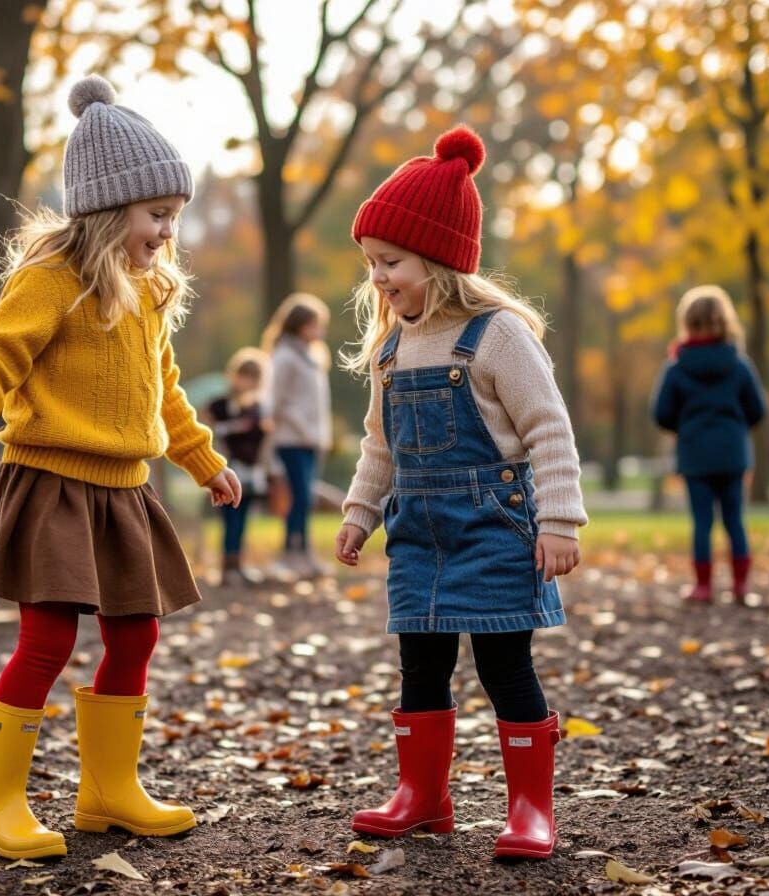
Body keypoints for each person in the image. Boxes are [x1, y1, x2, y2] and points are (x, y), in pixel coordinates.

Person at [0, 75, 240, 860]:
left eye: (174, 215)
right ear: (108, 208)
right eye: (157, 214)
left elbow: (164, 390)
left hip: (126, 491)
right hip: (53, 484)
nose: (168, 231)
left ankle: (109, 792)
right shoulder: (52, 279)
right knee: (48, 641)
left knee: (136, 636)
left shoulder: (151, 291)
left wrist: (202, 460)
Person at [333, 127, 586, 860]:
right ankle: (423, 797)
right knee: (421, 663)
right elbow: (380, 446)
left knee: (505, 665)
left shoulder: (497, 335)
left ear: (438, 259)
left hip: (495, 529)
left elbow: (549, 429)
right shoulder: (391, 346)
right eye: (370, 263)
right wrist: (359, 514)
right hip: (419, 535)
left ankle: (531, 809)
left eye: (391, 262)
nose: (377, 278)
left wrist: (560, 520)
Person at [652, 285, 766, 603]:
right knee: (735, 521)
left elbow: (661, 414)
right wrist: (735, 428)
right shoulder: (739, 364)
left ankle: (703, 587)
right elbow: (757, 409)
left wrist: (685, 427)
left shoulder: (676, 368)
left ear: (686, 323)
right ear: (725, 322)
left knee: (702, 523)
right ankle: (741, 586)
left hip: (695, 456)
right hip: (733, 454)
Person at [262, 292, 333, 577]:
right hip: (291, 440)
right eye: (314, 325)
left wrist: (320, 435)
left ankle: (304, 552)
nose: (319, 331)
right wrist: (299, 426)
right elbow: (275, 401)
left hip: (311, 440)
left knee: (306, 500)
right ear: (299, 325)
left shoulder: (312, 357)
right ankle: (291, 554)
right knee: (299, 498)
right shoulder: (284, 356)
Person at [203, 347, 269, 587]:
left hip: (250, 472)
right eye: (245, 376)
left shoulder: (258, 408)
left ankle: (238, 564)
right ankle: (227, 568)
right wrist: (232, 428)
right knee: (230, 519)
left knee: (243, 519)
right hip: (227, 469)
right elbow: (206, 429)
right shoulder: (220, 405)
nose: (248, 382)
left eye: (254, 378)